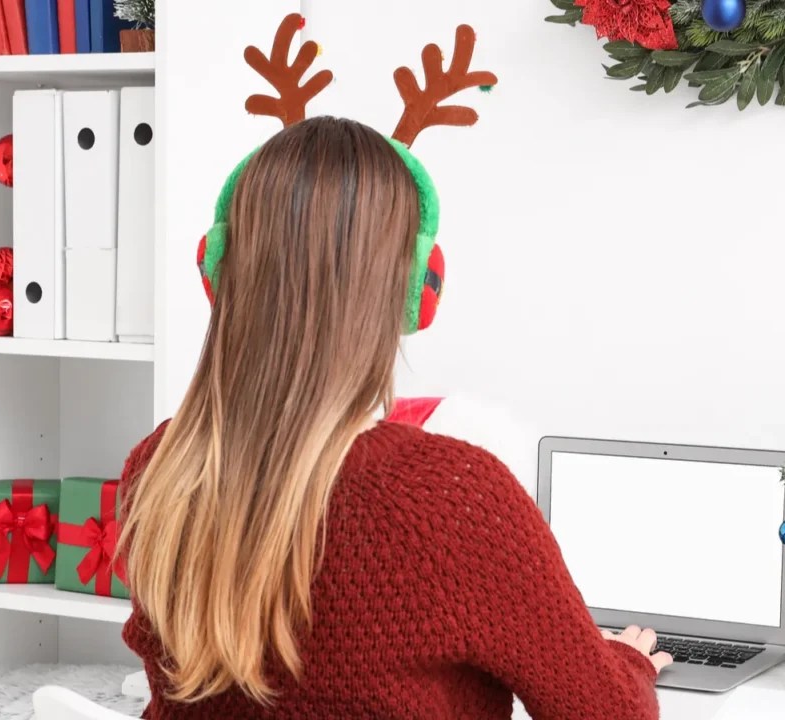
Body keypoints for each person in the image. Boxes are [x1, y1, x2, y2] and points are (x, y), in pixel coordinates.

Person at [118, 117, 671, 719]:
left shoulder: (161, 467)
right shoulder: (453, 498)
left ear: (220, 270)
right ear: (413, 288)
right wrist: (629, 664)